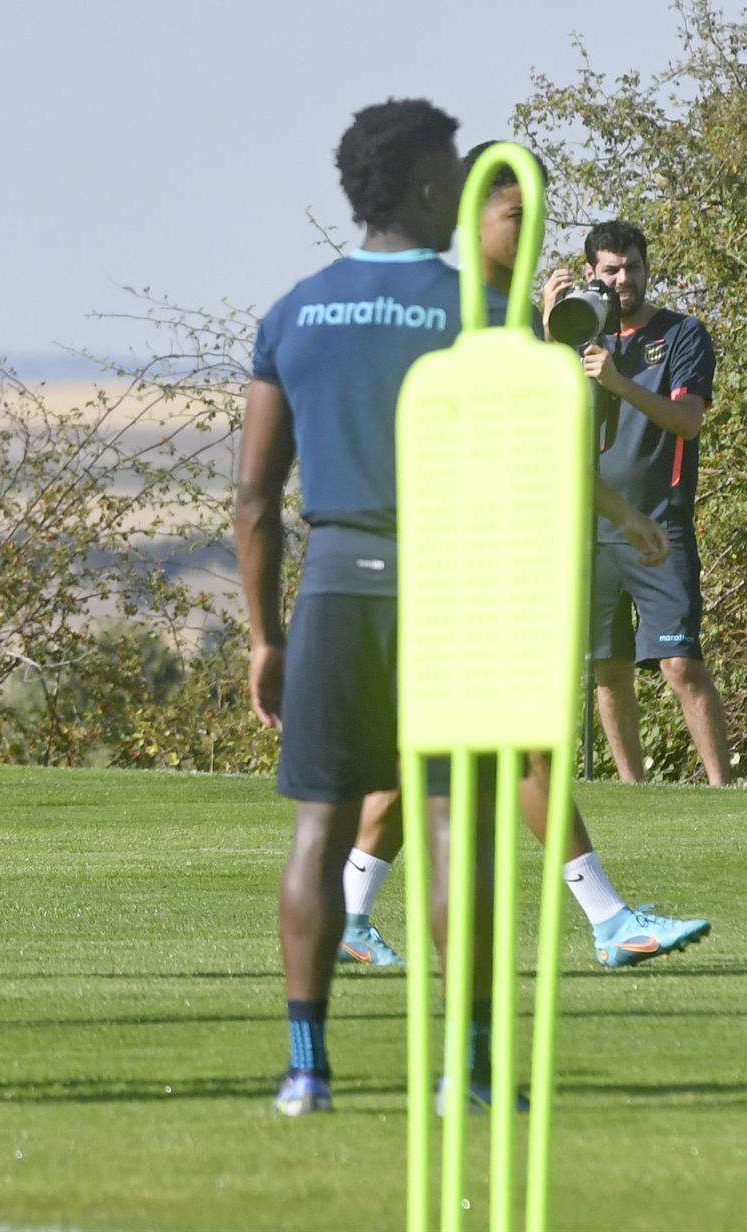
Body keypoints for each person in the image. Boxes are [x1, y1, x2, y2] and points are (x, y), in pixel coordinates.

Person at [336, 145, 710, 974]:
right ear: (475, 217)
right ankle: (610, 922)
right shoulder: (448, 309)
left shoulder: (518, 316)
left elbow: (545, 442)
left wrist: (618, 509)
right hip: (441, 563)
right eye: (516, 212)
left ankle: (345, 912)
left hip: (479, 558)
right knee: (517, 748)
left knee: (436, 752)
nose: (531, 226)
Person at [239, 99, 517, 1117]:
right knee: (452, 827)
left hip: (335, 585)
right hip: (448, 585)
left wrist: (266, 634)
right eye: (452, 173)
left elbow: (253, 499)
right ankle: (467, 1072)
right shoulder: (482, 309)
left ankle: (307, 1070)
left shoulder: (296, 309)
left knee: (320, 825)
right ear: (423, 185)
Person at [558, 222, 733, 786]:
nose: (622, 278)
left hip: (661, 524)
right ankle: (635, 794)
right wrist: (548, 325)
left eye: (631, 265)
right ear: (591, 275)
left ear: (646, 267)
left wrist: (618, 382)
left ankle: (723, 792)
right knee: (607, 670)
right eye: (609, 269)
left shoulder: (682, 333)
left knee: (680, 665)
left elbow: (687, 420)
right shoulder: (577, 336)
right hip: (591, 528)